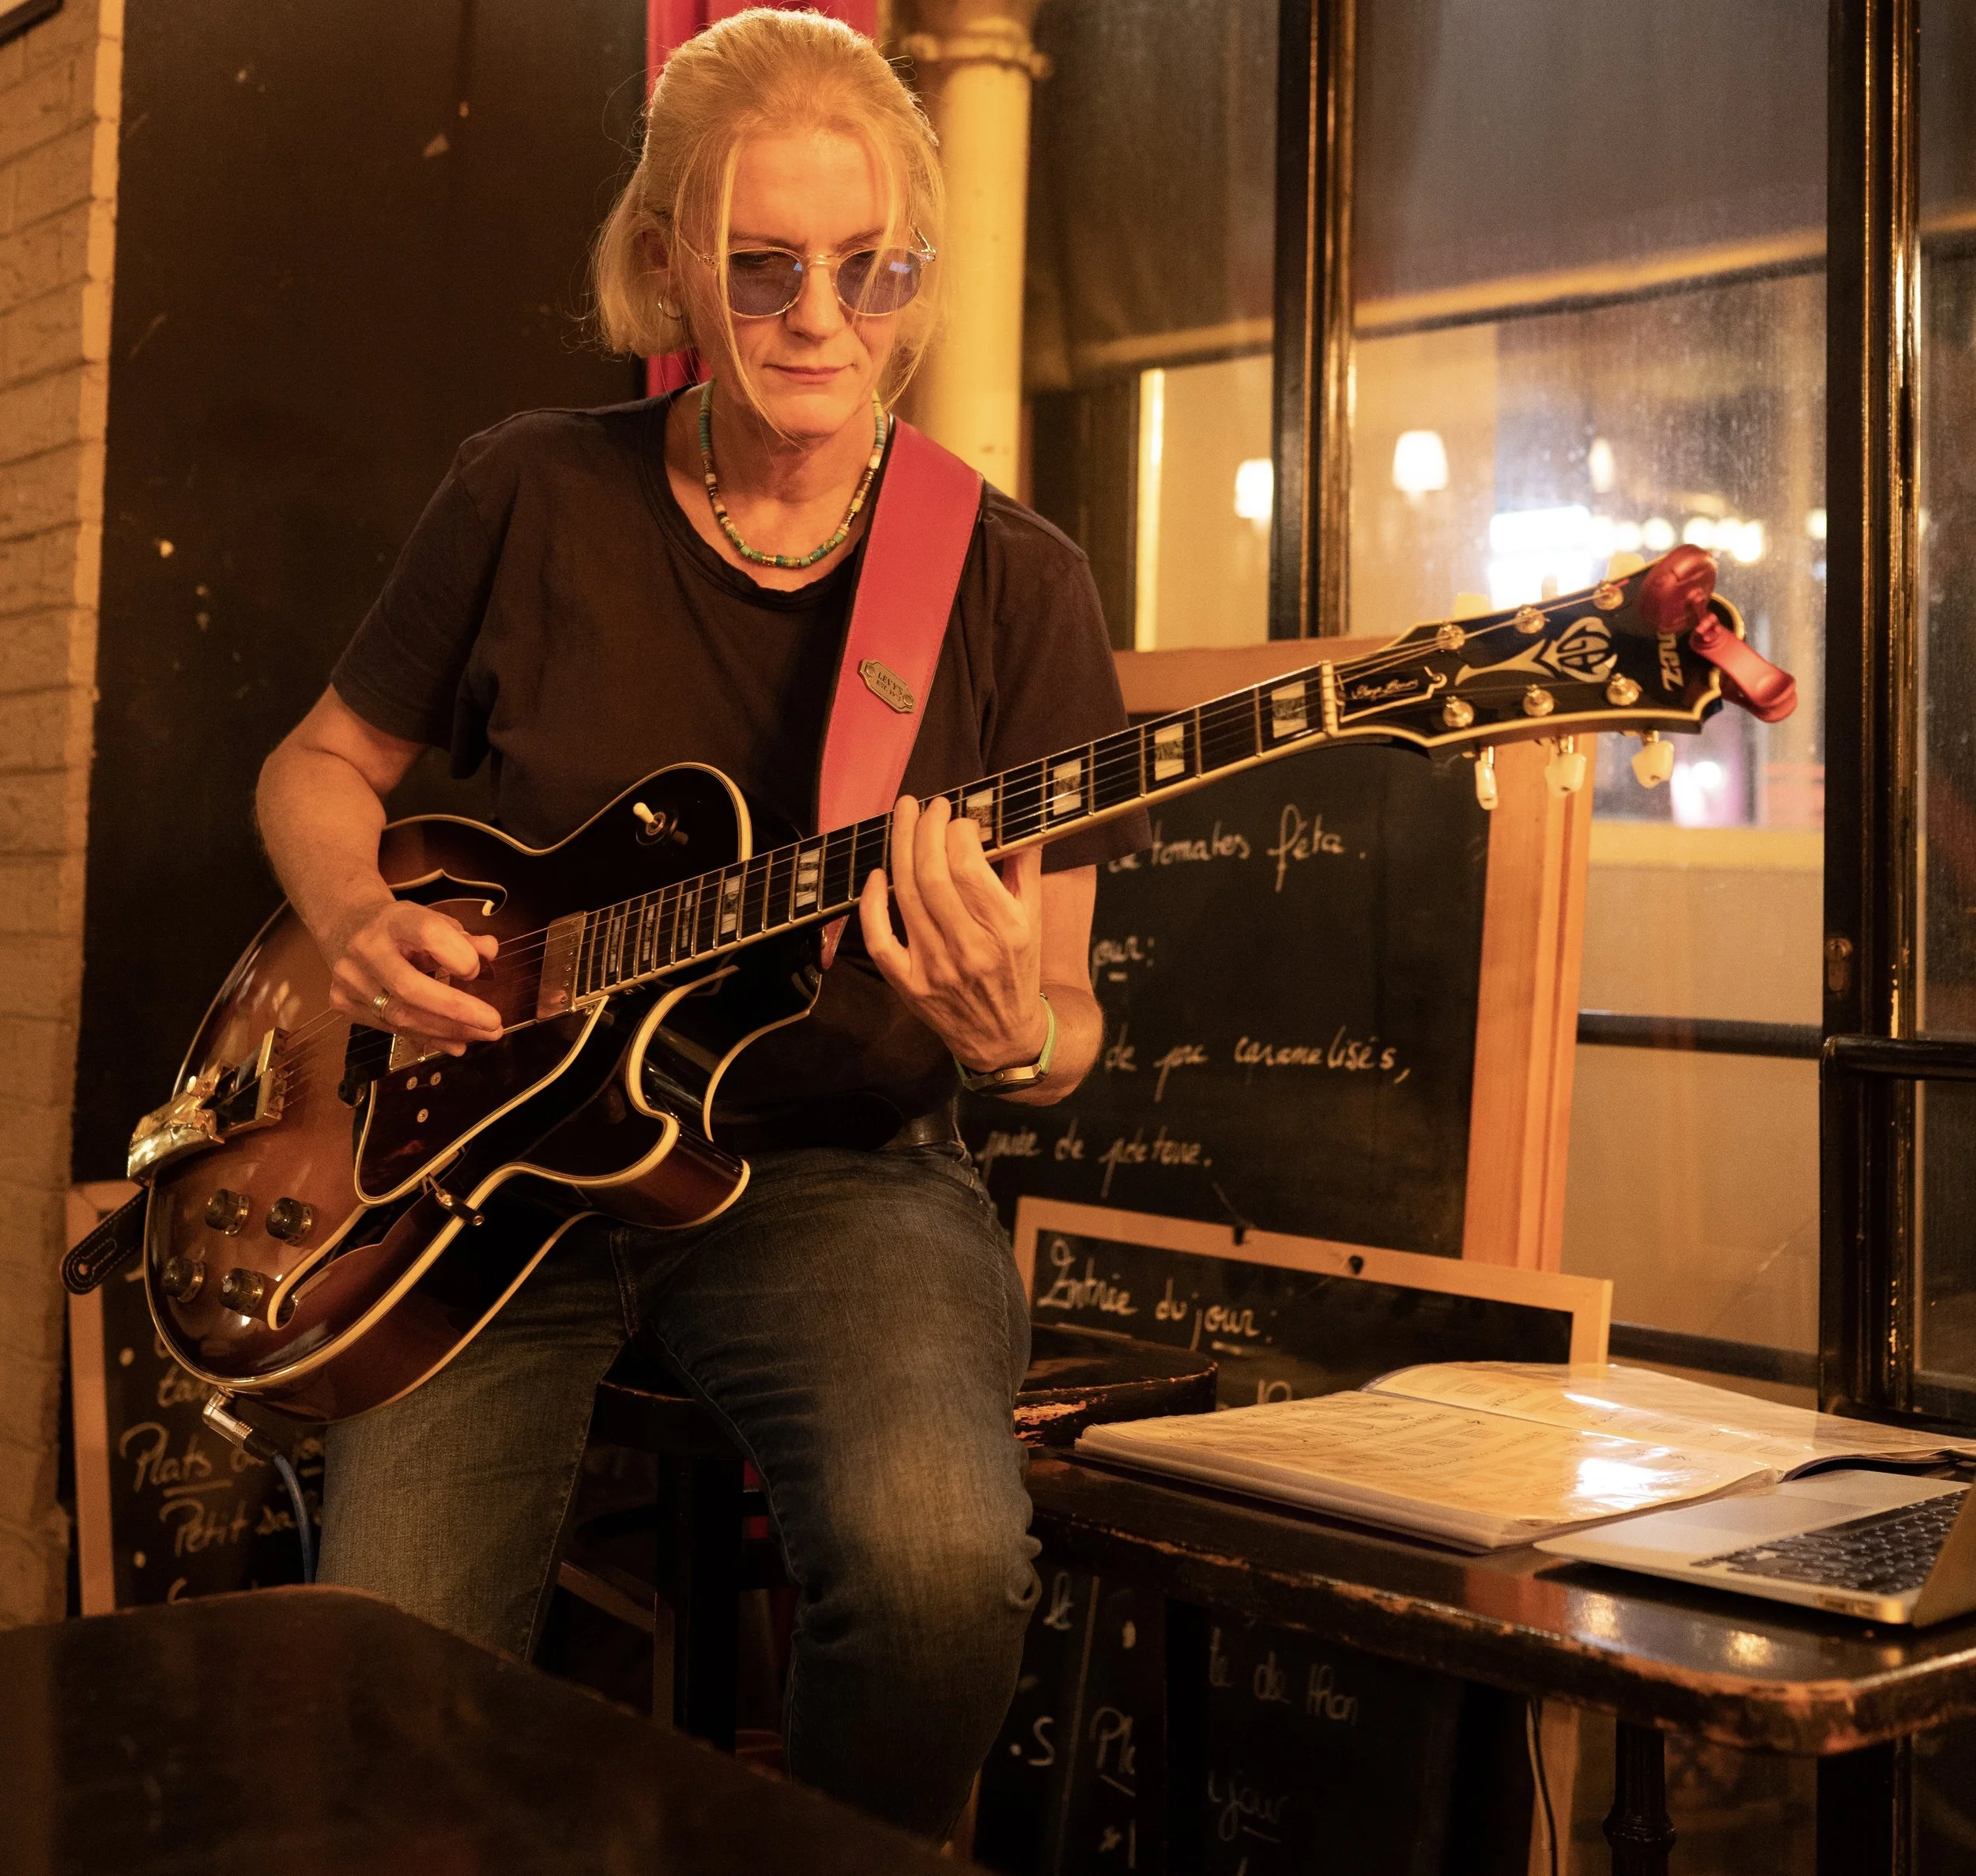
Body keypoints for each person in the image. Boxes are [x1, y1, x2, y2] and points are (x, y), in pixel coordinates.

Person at [252, 6, 1148, 1841]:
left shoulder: (1010, 582)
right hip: (486, 1162)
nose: (822, 316)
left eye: (871, 265)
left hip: (832, 1165)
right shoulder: (528, 488)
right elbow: (315, 766)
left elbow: (1063, 1026)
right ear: (664, 262)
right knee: (380, 1670)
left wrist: (1011, 1037)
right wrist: (351, 912)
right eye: (762, 266)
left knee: (940, 1576)